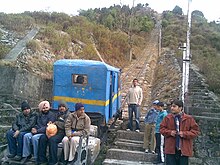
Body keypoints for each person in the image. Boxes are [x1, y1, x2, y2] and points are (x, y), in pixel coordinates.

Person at [160, 100, 199, 165]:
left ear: (180, 108)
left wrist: (184, 134)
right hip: (171, 149)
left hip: (184, 150)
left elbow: (195, 132)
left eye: (174, 106)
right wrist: (170, 132)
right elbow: (162, 129)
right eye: (171, 106)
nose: (172, 108)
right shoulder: (167, 118)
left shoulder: (189, 119)